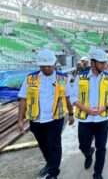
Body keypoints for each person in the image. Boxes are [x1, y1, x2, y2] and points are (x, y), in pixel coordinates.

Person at [17, 49, 74, 179]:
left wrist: (71, 114)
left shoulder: (62, 79)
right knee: (43, 145)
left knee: (54, 145)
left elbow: (67, 98)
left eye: (49, 65)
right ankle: (49, 163)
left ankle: (53, 173)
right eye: (43, 66)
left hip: (55, 119)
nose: (46, 69)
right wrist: (20, 120)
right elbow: (23, 99)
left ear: (55, 64)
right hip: (36, 120)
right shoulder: (30, 79)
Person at [70, 48, 108, 179]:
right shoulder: (81, 77)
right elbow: (73, 97)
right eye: (101, 62)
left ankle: (98, 174)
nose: (104, 65)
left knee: (101, 148)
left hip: (102, 118)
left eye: (105, 62)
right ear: (93, 62)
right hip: (85, 119)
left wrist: (104, 107)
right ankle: (88, 153)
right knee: (83, 145)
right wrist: (86, 109)